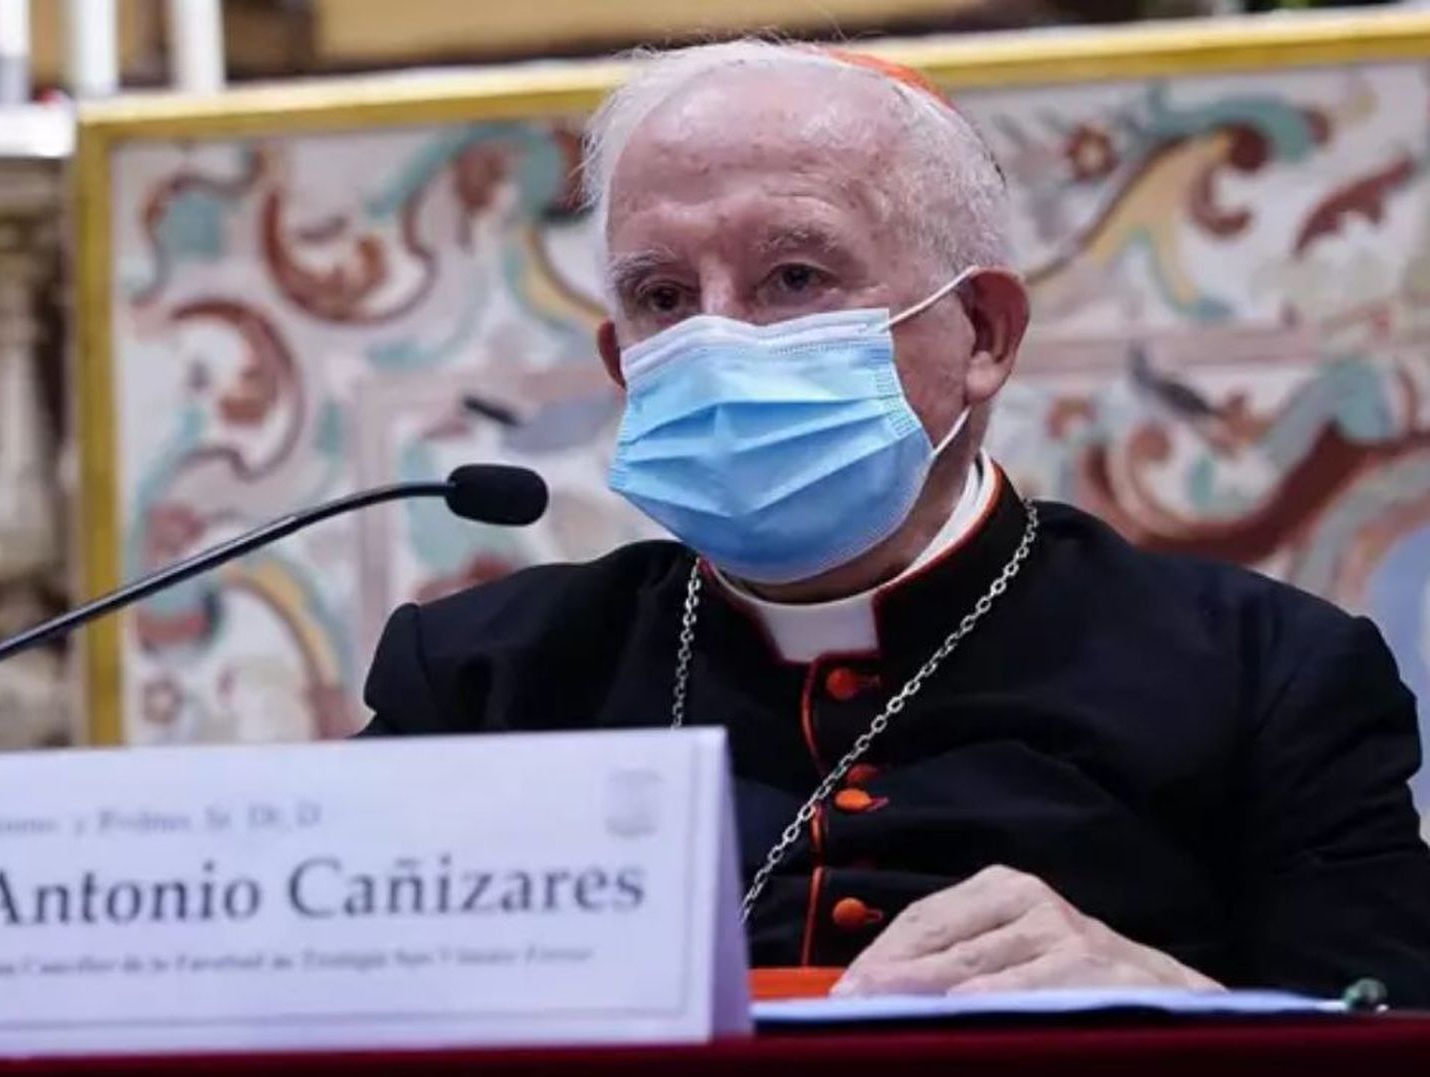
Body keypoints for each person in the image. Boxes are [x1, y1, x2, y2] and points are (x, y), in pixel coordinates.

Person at [364, 40, 1430, 1002]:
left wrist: (1180, 1012)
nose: (718, 343)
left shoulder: (1266, 677)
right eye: (661, 297)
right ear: (619, 364)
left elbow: (1386, 1023)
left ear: (982, 333)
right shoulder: (478, 685)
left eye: (793, 276)